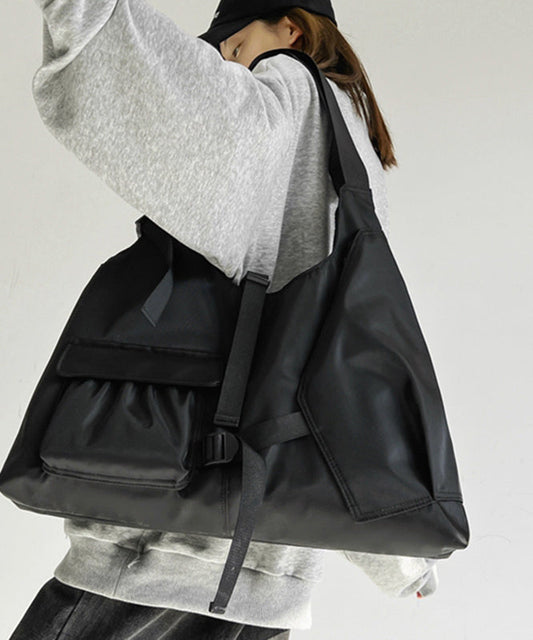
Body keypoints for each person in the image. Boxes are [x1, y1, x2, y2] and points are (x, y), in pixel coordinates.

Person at [9, 1, 439, 638]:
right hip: (267, 592)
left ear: (290, 29)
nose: (227, 70)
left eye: (233, 50)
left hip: (154, 570)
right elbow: (346, 388)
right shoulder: (354, 172)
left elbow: (165, 90)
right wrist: (401, 561)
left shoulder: (285, 98)